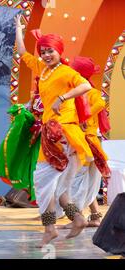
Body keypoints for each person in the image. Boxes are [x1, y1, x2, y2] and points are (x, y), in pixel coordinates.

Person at [15, 15, 93, 247]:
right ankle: (75, 219)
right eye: (44, 51)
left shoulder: (65, 72)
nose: (46, 55)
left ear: (59, 52)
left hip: (63, 134)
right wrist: (18, 30)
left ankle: (50, 228)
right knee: (56, 189)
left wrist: (63, 97)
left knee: (42, 181)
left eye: (50, 51)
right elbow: (22, 53)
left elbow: (86, 85)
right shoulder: (43, 69)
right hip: (52, 133)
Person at [58, 56, 111, 228]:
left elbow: (84, 114)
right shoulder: (93, 94)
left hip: (83, 145)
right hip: (91, 144)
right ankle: (95, 216)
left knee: (75, 182)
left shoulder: (78, 95)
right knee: (88, 181)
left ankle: (77, 219)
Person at [0, 77, 43, 205]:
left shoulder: (56, 97)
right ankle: (47, 213)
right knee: (34, 169)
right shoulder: (36, 97)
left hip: (48, 139)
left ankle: (58, 213)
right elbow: (28, 110)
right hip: (37, 139)